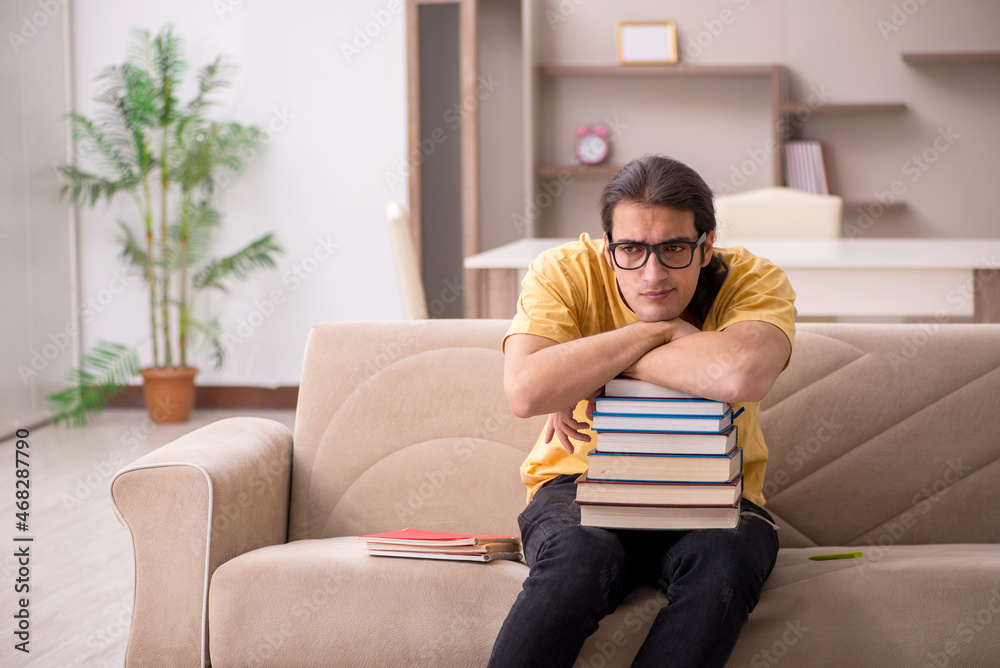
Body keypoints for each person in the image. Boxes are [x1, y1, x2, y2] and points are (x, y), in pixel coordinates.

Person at [486, 154, 797, 668]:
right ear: (609, 249)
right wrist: (659, 332)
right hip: (577, 482)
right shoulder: (563, 271)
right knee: (581, 557)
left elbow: (741, 375)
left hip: (719, 491)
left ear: (706, 246)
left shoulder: (754, 279)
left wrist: (587, 366)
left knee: (729, 557)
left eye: (675, 248)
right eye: (631, 249)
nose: (653, 274)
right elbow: (526, 391)